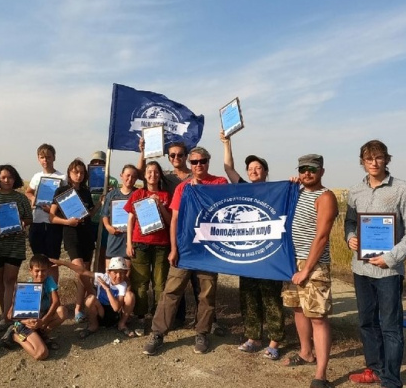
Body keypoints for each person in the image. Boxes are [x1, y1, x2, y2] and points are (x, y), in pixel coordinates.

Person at [344, 140, 406, 388]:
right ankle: (374, 369)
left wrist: (390, 258)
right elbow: (350, 222)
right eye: (368, 159)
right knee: (367, 322)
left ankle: (391, 379)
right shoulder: (355, 191)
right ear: (362, 162)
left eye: (378, 158)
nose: (374, 163)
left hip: (388, 271)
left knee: (390, 327)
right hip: (361, 269)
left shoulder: (403, 189)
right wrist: (350, 238)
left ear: (387, 159)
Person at [143, 147, 228, 356]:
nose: (199, 165)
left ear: (209, 162)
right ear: (190, 165)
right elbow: (174, 220)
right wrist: (174, 248)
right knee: (171, 291)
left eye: (203, 161)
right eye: (195, 162)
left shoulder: (219, 184)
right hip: (185, 248)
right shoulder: (183, 188)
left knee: (206, 294)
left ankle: (202, 333)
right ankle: (158, 333)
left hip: (208, 249)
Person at [220, 131, 283, 360]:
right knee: (248, 297)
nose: (253, 171)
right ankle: (253, 338)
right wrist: (227, 143)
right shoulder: (243, 188)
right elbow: (228, 169)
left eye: (257, 168)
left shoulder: (277, 190)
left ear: (265, 171)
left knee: (271, 299)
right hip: (248, 255)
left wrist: (294, 182)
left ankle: (275, 340)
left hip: (270, 256)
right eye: (250, 169)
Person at [281, 154, 338, 388]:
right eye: (303, 169)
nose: (307, 173)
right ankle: (306, 352)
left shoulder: (326, 197)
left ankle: (321, 374)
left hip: (313, 266)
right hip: (291, 262)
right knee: (298, 309)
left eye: (312, 169)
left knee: (318, 317)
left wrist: (306, 270)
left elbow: (322, 236)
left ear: (322, 171)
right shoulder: (297, 192)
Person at [49, 158, 101, 322]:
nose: (78, 175)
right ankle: (94, 295)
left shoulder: (86, 192)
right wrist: (67, 222)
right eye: (75, 172)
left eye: (81, 172)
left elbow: (89, 215)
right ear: (69, 173)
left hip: (87, 234)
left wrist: (99, 204)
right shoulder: (62, 192)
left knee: (84, 271)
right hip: (71, 234)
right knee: (80, 270)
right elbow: (52, 217)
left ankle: (79, 308)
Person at [125, 160, 172, 335]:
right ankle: (140, 317)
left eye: (156, 172)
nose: (153, 175)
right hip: (140, 244)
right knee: (140, 284)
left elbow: (169, 221)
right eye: (149, 172)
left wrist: (159, 204)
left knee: (159, 284)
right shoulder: (138, 194)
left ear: (160, 175)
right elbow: (130, 220)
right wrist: (129, 243)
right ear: (145, 175)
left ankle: (157, 318)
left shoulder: (166, 195)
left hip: (161, 246)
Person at [0, 164, 33, 332]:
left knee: (10, 279)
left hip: (15, 243)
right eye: (4, 177)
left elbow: (29, 218)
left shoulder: (21, 198)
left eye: (10, 177)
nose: (7, 180)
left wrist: (22, 223)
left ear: (15, 179)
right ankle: (3, 312)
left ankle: (6, 317)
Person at [0, 254, 69, 360]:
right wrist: (25, 321)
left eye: (44, 270)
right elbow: (10, 315)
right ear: (30, 271)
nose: (40, 274)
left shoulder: (48, 281)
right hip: (26, 324)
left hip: (40, 320)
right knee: (42, 354)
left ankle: (42, 334)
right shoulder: (24, 288)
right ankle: (16, 337)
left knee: (62, 311)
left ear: (48, 270)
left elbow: (56, 302)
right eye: (37, 271)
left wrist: (43, 321)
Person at [53, 256, 136, 339]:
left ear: (125, 273)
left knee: (130, 296)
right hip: (101, 312)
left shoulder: (122, 285)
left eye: (122, 273)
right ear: (109, 272)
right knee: (90, 299)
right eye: (115, 272)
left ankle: (121, 324)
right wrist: (63, 263)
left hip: (114, 314)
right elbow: (82, 271)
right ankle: (93, 325)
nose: (118, 276)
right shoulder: (103, 277)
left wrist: (107, 289)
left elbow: (116, 308)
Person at [25, 143, 66, 285]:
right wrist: (34, 199)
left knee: (52, 262)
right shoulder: (36, 177)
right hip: (37, 222)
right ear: (38, 159)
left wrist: (53, 209)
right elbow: (28, 192)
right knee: (38, 262)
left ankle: (53, 294)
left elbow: (66, 200)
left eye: (48, 157)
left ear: (54, 157)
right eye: (42, 157)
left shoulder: (62, 177)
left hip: (53, 224)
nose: (45, 160)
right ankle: (39, 296)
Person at [101, 164, 139, 268]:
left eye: (133, 176)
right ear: (121, 175)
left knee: (126, 277)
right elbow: (104, 214)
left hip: (130, 241)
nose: (130, 179)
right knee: (111, 275)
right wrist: (108, 227)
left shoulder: (138, 194)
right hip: (114, 240)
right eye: (127, 175)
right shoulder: (111, 195)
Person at [89, 150, 119, 273]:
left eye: (100, 162)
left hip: (104, 221)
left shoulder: (112, 181)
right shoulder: (87, 180)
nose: (97, 163)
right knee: (89, 254)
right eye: (95, 162)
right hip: (91, 220)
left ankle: (101, 279)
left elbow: (117, 202)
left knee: (103, 252)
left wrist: (112, 192)